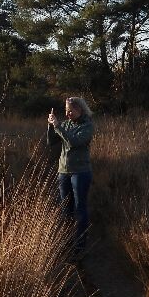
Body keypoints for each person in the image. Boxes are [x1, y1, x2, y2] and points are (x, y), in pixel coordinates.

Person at [47, 96, 94, 258]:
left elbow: (74, 141)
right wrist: (51, 124)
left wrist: (59, 126)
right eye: (66, 111)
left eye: (71, 111)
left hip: (80, 172)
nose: (67, 114)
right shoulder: (66, 124)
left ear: (80, 110)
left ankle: (80, 247)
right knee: (65, 210)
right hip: (64, 172)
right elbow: (51, 142)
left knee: (80, 208)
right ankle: (67, 245)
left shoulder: (87, 125)